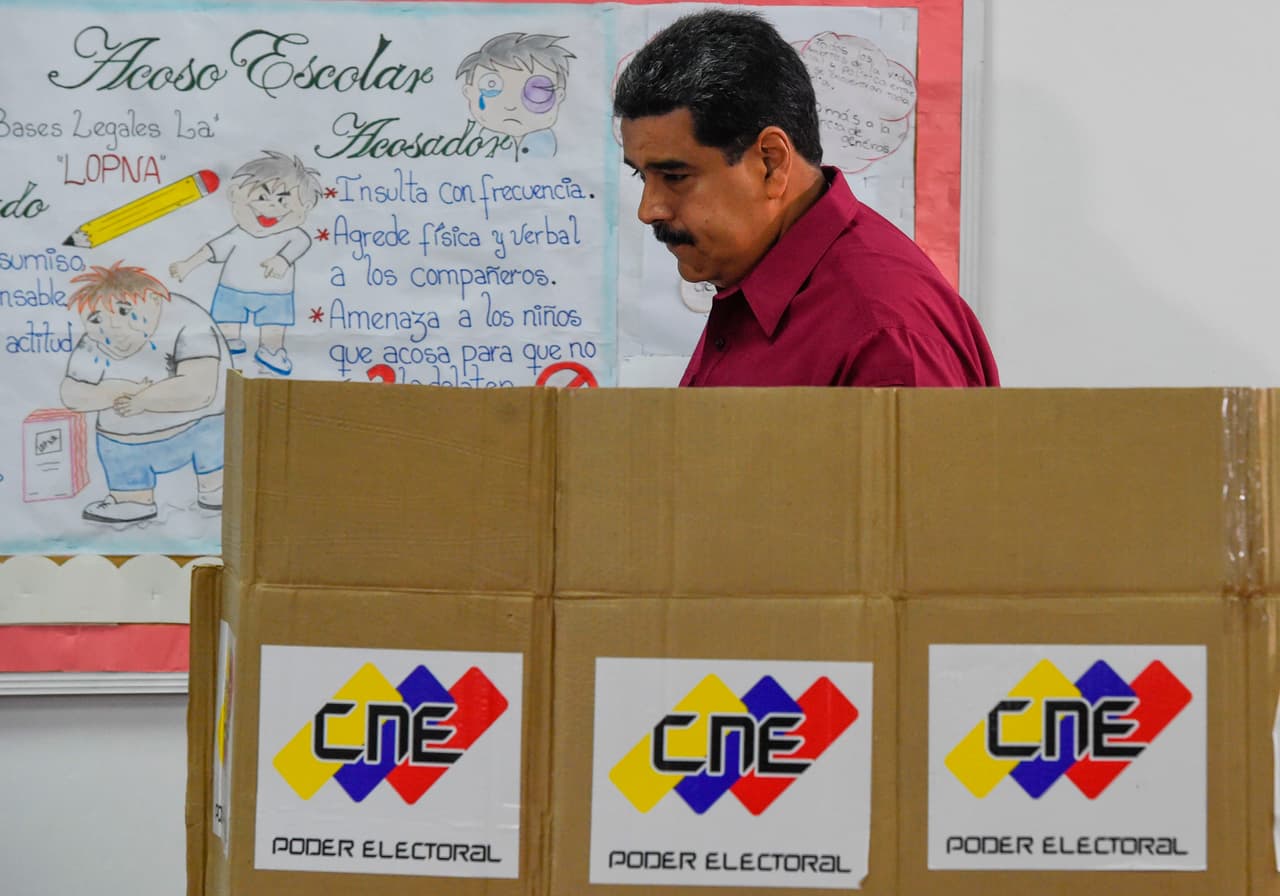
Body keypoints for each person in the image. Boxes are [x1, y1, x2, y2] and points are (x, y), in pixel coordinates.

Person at [613, 10, 999, 387]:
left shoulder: (883, 334)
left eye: (675, 177)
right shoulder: (755, 283)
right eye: (641, 175)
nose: (649, 210)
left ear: (771, 162)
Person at [60, 262, 230, 523]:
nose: (113, 327)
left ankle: (215, 484)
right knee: (119, 456)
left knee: (215, 442)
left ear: (153, 300)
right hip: (127, 441)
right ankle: (131, 499)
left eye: (124, 311)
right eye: (96, 319)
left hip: (199, 425)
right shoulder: (94, 340)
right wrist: (117, 390)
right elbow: (71, 394)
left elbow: (200, 389)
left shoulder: (188, 319)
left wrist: (144, 399)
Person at [171, 150, 322, 376]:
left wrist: (282, 260)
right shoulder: (238, 234)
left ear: (305, 207)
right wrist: (187, 265)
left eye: (283, 200)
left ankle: (271, 351)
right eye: (261, 197)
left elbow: (302, 243)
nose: (271, 207)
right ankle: (229, 342)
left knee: (274, 326)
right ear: (236, 196)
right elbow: (212, 249)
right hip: (233, 290)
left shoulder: (292, 235)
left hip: (275, 294)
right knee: (227, 320)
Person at [457, 33, 575, 160]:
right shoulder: (479, 146)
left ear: (559, 96)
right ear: (469, 92)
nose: (510, 106)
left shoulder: (562, 150)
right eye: (491, 86)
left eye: (537, 90)